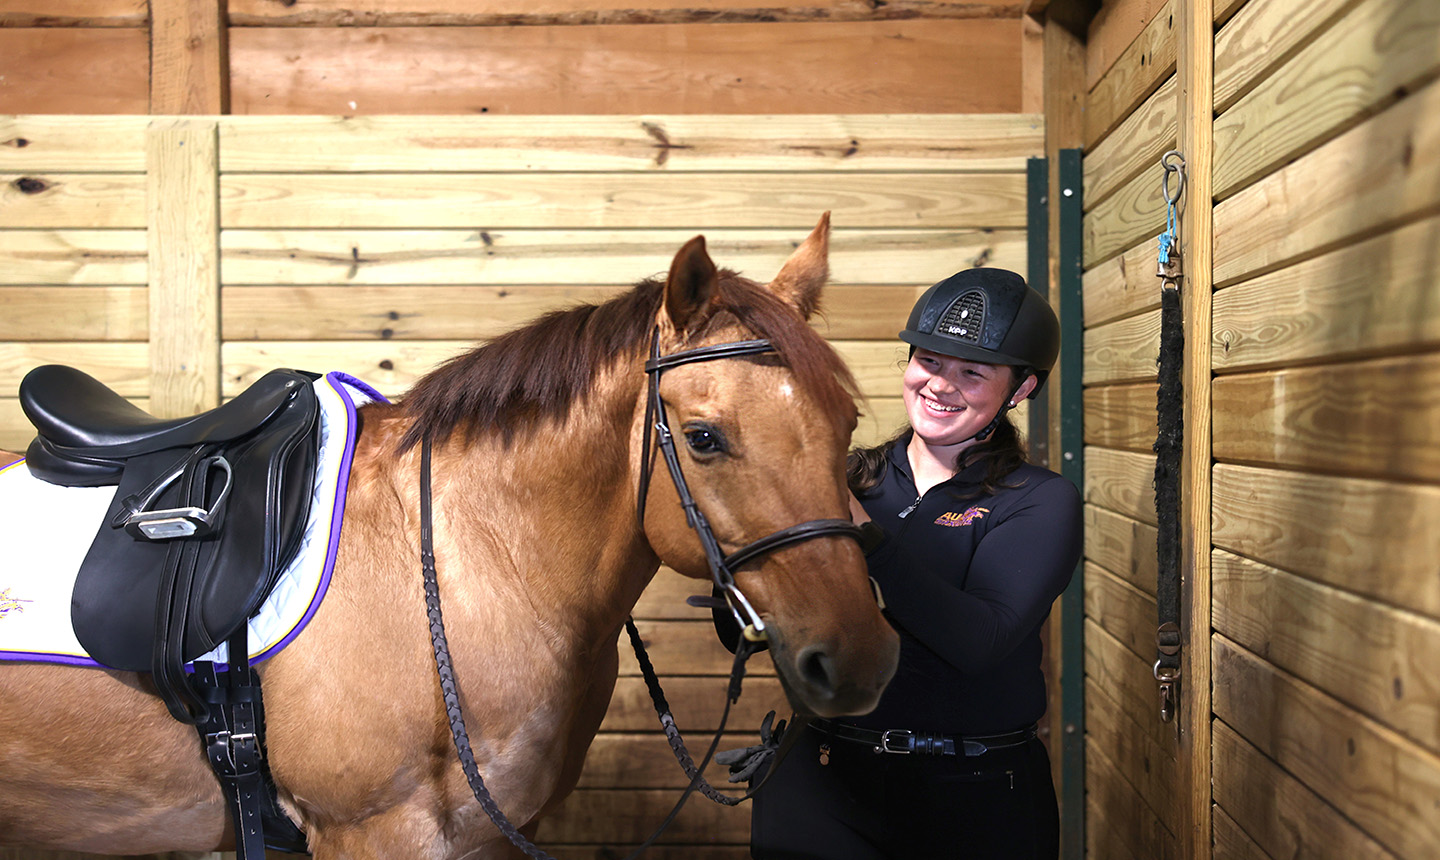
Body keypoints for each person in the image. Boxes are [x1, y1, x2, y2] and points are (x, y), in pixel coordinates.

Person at [742, 267, 1083, 859]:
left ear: (1021, 390)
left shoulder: (1039, 500)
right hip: (821, 783)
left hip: (976, 796)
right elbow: (750, 632)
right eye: (929, 361)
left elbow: (980, 640)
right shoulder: (844, 476)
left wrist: (860, 534)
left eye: (971, 372)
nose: (940, 385)